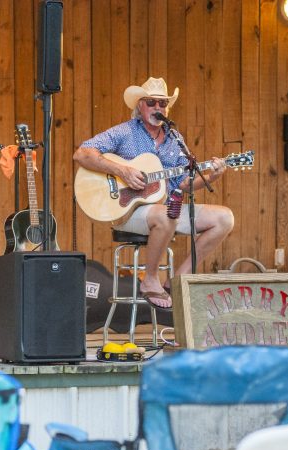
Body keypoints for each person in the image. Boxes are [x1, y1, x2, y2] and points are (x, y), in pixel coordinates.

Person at [73, 77, 234, 311]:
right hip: (128, 212)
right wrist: (122, 170)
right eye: (151, 102)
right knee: (166, 214)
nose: (157, 108)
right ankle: (149, 279)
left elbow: (184, 184)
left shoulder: (175, 140)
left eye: (162, 103)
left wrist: (211, 177)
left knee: (224, 218)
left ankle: (178, 280)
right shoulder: (124, 132)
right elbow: (82, 154)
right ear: (139, 105)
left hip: (165, 207)